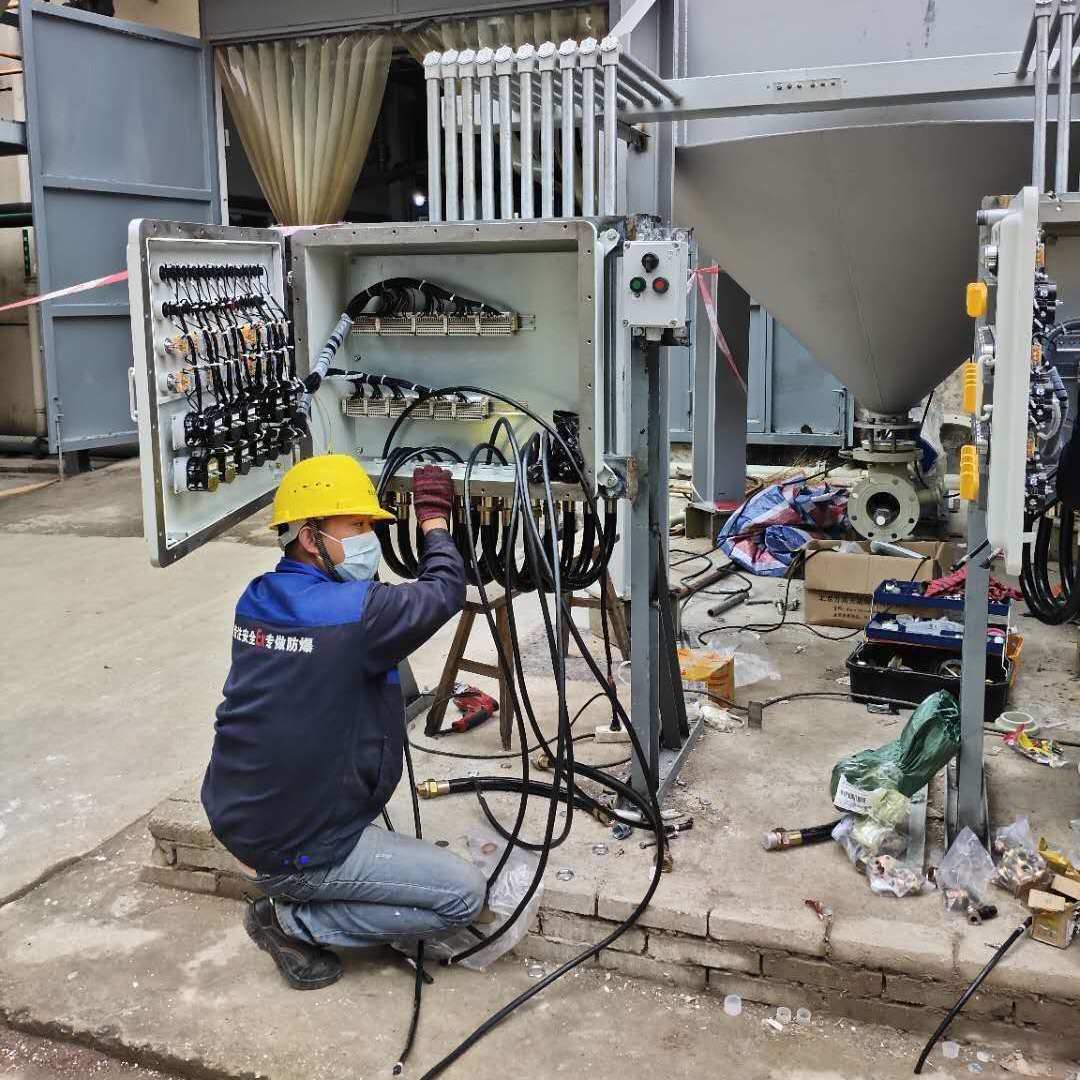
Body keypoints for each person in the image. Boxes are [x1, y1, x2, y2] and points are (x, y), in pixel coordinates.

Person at [201, 454, 485, 990]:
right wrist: (433, 519)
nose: (368, 540)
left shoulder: (256, 597)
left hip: (237, 815)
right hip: (290, 847)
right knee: (462, 896)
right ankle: (292, 922)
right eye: (356, 526)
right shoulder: (358, 613)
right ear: (311, 537)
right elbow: (445, 589)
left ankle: (300, 879)